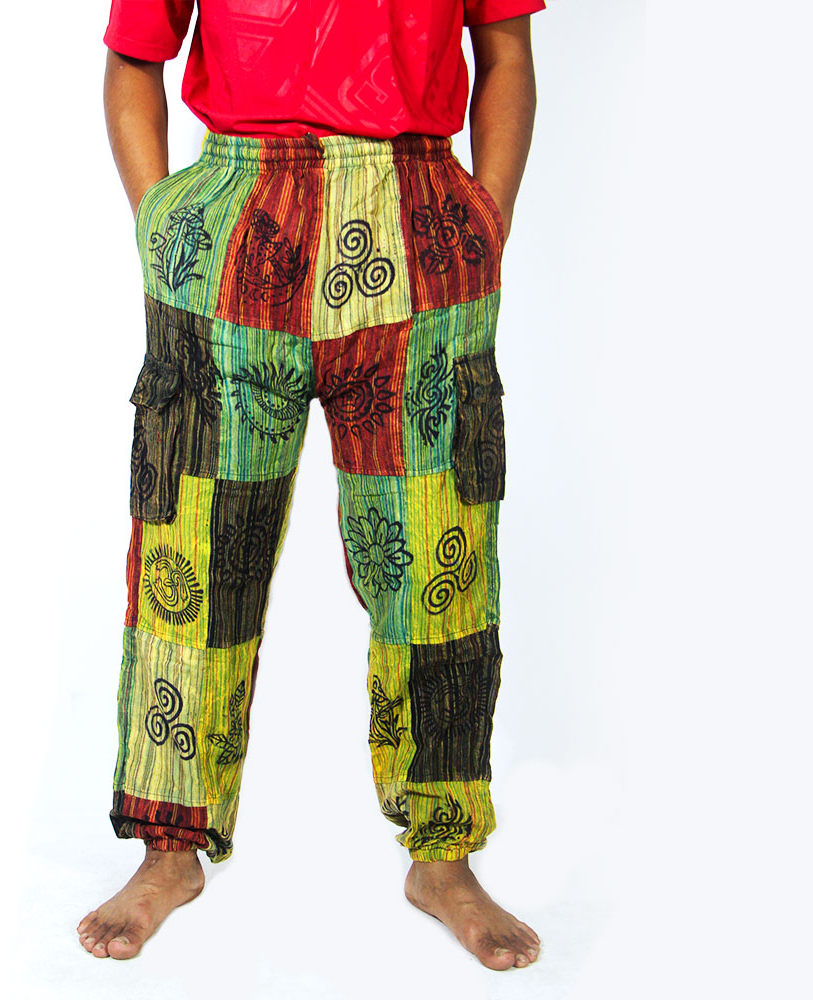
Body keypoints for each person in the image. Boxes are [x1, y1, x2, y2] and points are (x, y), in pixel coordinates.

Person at [78, 0, 545, 971]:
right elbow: (133, 54)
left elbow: (506, 51)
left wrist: (485, 217)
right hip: (238, 217)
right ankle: (169, 849)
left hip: (419, 218)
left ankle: (444, 856)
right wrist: (165, 223)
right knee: (195, 553)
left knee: (438, 561)